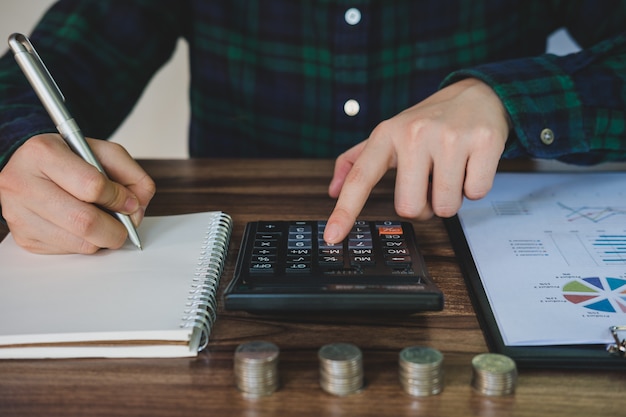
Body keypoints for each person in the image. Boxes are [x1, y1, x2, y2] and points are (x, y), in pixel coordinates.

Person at [0, 1, 625, 254]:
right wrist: (17, 148)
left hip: (484, 247)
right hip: (220, 283)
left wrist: (508, 98)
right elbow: (37, 78)